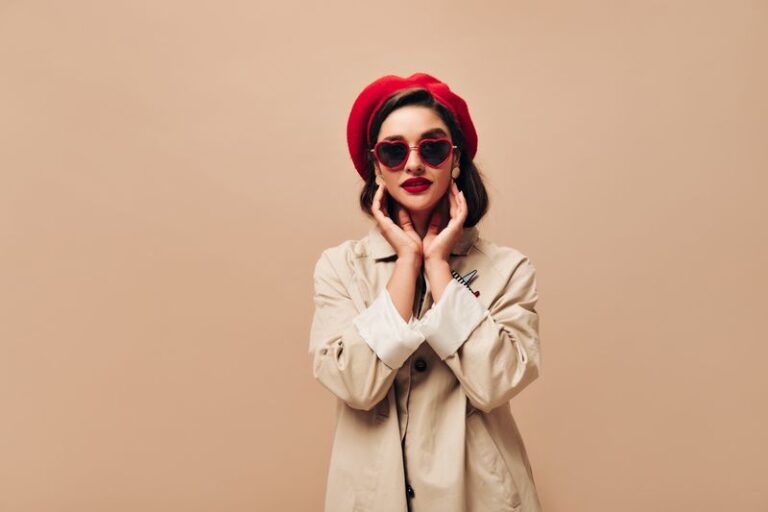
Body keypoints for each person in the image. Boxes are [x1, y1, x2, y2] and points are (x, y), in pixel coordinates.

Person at [309, 72, 543, 512]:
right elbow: (355, 385)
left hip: (482, 497)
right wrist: (406, 263)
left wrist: (437, 266)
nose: (413, 164)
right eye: (394, 151)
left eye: (432, 148)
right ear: (376, 165)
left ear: (455, 160)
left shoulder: (508, 270)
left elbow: (497, 383)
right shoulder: (340, 268)